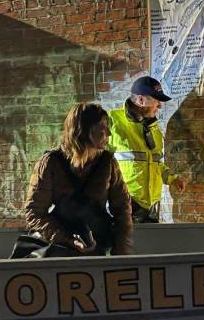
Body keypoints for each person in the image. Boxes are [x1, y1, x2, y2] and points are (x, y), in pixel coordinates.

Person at [23, 102, 133, 255]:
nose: (109, 133)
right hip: (61, 249)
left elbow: (122, 210)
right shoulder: (51, 162)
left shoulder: (107, 162)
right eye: (102, 126)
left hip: (99, 246)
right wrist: (66, 240)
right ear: (84, 129)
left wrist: (120, 253)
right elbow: (34, 213)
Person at [107, 76, 187, 223]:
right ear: (141, 100)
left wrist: (172, 179)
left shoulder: (153, 128)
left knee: (152, 239)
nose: (160, 105)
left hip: (152, 205)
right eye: (156, 100)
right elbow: (97, 162)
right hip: (125, 202)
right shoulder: (113, 121)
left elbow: (154, 163)